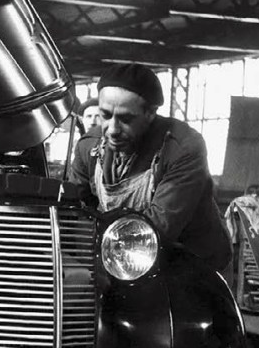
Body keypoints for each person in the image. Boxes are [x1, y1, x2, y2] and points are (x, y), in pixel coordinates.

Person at [69, 62, 232, 273]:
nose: (113, 129)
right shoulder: (88, 146)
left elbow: (158, 228)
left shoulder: (183, 148)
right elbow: (75, 212)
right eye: (106, 115)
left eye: (126, 119)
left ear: (150, 113)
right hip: (123, 258)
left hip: (192, 262)